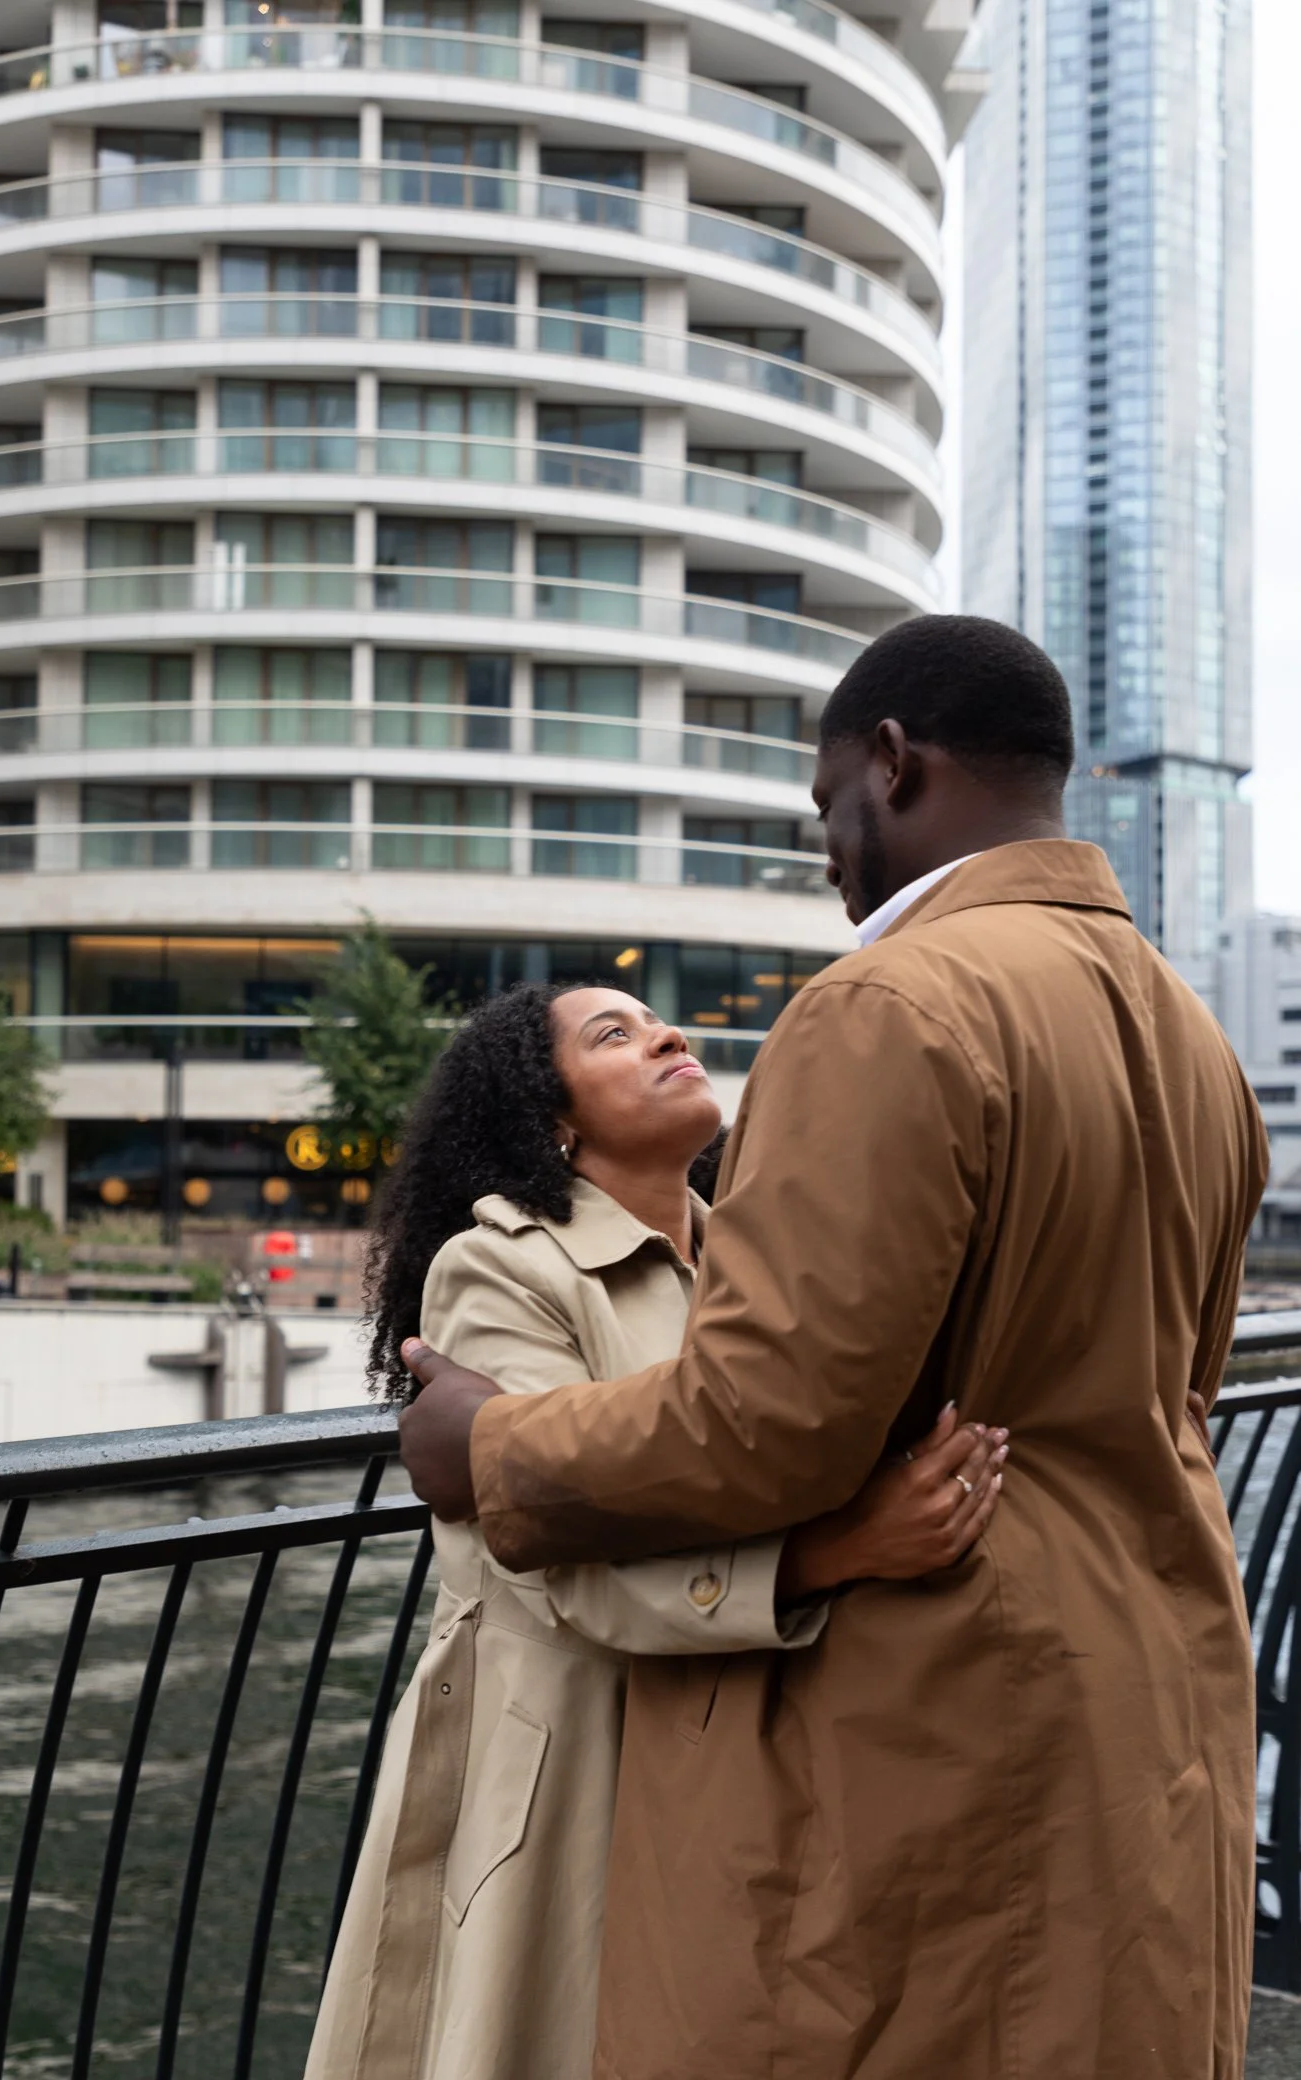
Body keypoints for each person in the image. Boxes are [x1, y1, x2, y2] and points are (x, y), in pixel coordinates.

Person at [400, 614, 1270, 2080]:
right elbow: (1186, 1382)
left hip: (924, 1719)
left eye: (826, 808)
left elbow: (765, 1420)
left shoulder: (887, 1004)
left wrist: (487, 1443)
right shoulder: (1194, 1040)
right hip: (1149, 1691)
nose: (828, 855)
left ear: (892, 762)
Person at [305, 980, 1005, 2080]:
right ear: (553, 1118)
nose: (666, 1034)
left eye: (657, 1023)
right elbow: (549, 1555)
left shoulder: (755, 1270)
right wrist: (836, 1553)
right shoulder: (501, 1266)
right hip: (568, 1753)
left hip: (736, 1727)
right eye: (612, 1034)